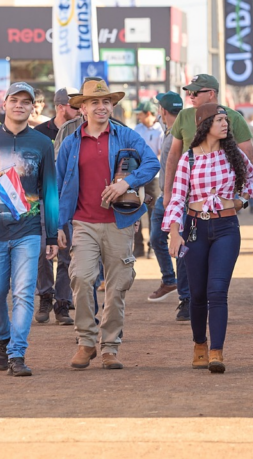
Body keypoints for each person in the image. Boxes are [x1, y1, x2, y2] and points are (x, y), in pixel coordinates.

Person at [56, 78, 160, 370]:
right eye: (94, 102)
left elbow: (152, 163)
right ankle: (86, 341)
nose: (101, 107)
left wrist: (127, 182)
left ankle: (110, 347)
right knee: (81, 277)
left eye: (106, 102)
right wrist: (58, 225)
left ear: (112, 106)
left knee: (116, 287)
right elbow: (58, 185)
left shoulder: (126, 135)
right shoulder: (71, 143)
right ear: (83, 108)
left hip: (120, 222)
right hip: (83, 223)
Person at [0, 82, 60, 376]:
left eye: (25, 101)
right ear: (4, 104)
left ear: (33, 107)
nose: (19, 105)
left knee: (23, 294)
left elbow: (50, 191)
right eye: (14, 100)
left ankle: (17, 354)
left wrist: (52, 234)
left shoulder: (43, 144)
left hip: (28, 232)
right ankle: (3, 339)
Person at [165, 104, 253, 373]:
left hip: (227, 228)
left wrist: (241, 201)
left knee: (217, 290)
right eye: (219, 120)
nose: (225, 124)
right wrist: (174, 232)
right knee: (197, 294)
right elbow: (177, 198)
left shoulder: (234, 154)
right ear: (205, 125)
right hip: (195, 228)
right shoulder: (188, 159)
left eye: (225, 119)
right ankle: (200, 344)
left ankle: (217, 351)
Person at [163, 74, 253, 217]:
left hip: (222, 196)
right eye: (189, 92)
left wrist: (242, 199)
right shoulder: (183, 116)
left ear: (211, 93)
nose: (191, 96)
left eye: (195, 92)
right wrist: (168, 191)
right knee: (183, 228)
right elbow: (173, 155)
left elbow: (248, 157)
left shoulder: (234, 117)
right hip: (187, 192)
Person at [33, 87, 78, 325]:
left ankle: (62, 304)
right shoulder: (40, 133)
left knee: (67, 253)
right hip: (43, 199)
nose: (80, 109)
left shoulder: (81, 131)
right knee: (43, 250)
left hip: (69, 200)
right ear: (61, 107)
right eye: (75, 106)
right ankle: (45, 296)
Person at [146, 91, 191, 320]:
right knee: (156, 238)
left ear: (163, 111)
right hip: (165, 197)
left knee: (180, 246)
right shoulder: (169, 131)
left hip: (178, 198)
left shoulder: (180, 133)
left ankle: (186, 298)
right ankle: (169, 280)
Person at [133, 99, 165, 258]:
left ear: (148, 114)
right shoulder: (137, 129)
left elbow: (161, 154)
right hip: (137, 176)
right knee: (135, 211)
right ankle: (138, 247)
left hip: (154, 178)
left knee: (154, 212)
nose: (138, 117)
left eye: (140, 114)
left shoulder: (160, 131)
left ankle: (152, 246)